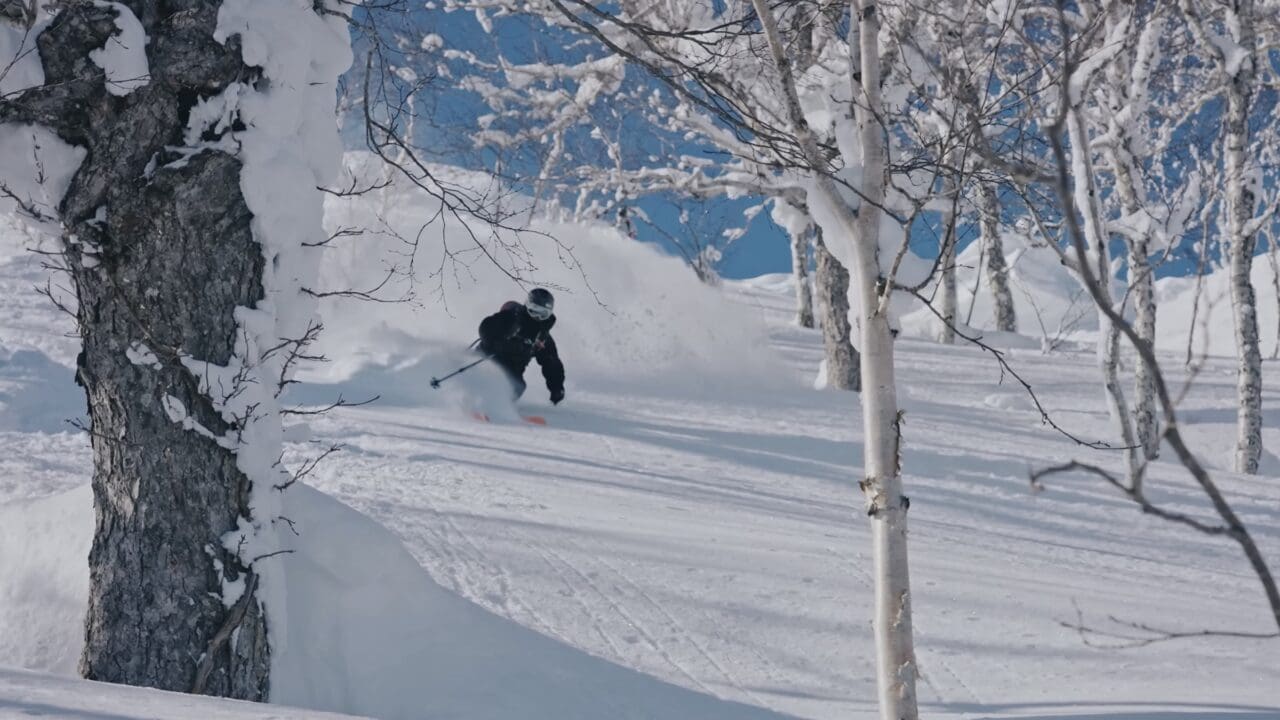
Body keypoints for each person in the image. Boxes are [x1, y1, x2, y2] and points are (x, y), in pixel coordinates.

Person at [477, 288, 565, 404]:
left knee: (518, 386)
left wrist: (556, 388)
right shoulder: (512, 318)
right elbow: (486, 327)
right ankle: (472, 400)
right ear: (528, 305)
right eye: (534, 310)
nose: (538, 317)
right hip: (488, 359)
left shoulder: (542, 337)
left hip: (512, 370)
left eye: (543, 314)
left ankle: (495, 407)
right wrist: (498, 344)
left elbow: (551, 362)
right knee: (484, 377)